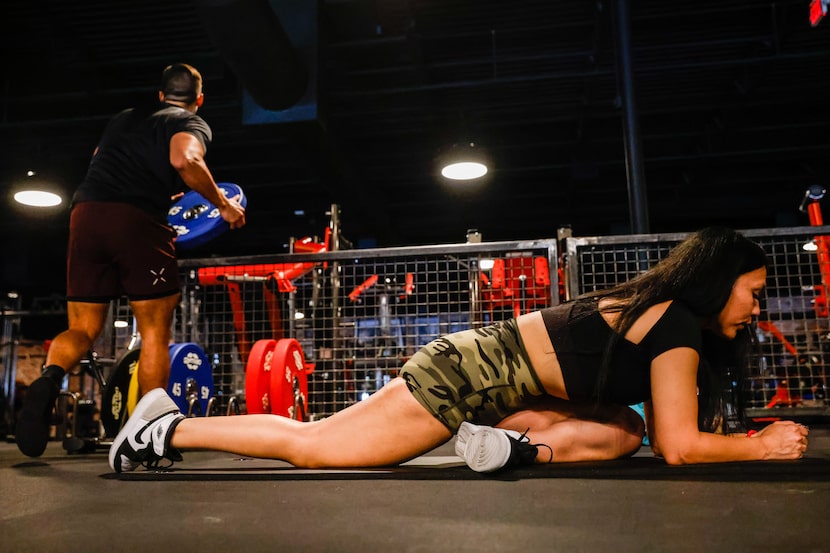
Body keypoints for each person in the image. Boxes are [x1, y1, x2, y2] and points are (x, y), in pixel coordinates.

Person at [108, 227, 809, 473]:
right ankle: (166, 428)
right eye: (751, 291)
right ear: (718, 284)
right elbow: (682, 447)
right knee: (315, 444)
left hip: (505, 393)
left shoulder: (669, 317)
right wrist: (762, 444)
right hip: (464, 378)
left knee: (623, 430)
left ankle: (517, 451)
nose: (754, 308)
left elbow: (658, 432)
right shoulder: (676, 323)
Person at [16, 63, 246, 457]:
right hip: (137, 220)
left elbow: (104, 161)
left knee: (83, 329)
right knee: (155, 330)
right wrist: (223, 205)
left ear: (160, 94)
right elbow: (185, 161)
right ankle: (149, 432)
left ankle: (50, 381)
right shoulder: (190, 121)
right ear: (199, 99)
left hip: (86, 213)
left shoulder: (123, 119)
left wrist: (158, 189)